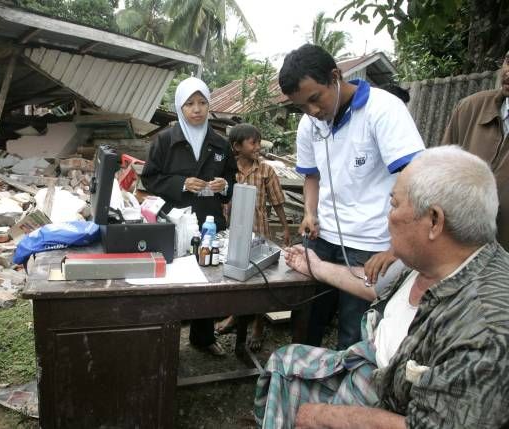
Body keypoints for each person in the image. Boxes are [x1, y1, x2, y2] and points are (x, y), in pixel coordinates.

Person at [254, 146, 509, 429]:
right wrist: (315, 266)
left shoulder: (485, 330)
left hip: (387, 402)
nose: (388, 216)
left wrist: (324, 416)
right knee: (283, 362)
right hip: (369, 366)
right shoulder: (438, 260)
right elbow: (375, 288)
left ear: (434, 221)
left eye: (394, 204)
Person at [279, 44, 425, 349]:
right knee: (307, 316)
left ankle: (346, 390)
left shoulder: (383, 110)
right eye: (302, 106)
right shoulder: (310, 124)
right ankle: (304, 375)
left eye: (315, 99)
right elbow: (311, 175)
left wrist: (397, 249)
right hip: (323, 236)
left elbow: (416, 179)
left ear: (335, 76)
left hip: (371, 244)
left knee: (356, 330)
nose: (312, 111)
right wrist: (309, 212)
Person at [141, 76, 237, 356]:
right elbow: (150, 178)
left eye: (202, 103)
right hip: (175, 221)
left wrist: (224, 186)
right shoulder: (165, 140)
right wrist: (181, 184)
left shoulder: (219, 143)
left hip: (210, 222)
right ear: (180, 108)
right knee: (172, 279)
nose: (196, 109)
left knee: (208, 278)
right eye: (190, 104)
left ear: (209, 106)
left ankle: (203, 337)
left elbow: (230, 179)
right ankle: (165, 339)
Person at [215, 123, 291, 351]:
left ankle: (258, 324)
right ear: (237, 146)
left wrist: (286, 228)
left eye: (259, 142)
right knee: (234, 276)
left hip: (260, 232)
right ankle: (234, 315)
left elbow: (277, 201)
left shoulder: (266, 170)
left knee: (259, 281)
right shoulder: (229, 170)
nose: (258, 147)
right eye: (253, 143)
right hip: (233, 232)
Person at [441, 48, 509, 251]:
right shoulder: (470, 108)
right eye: (508, 60)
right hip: (458, 250)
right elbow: (439, 174)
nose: (508, 71)